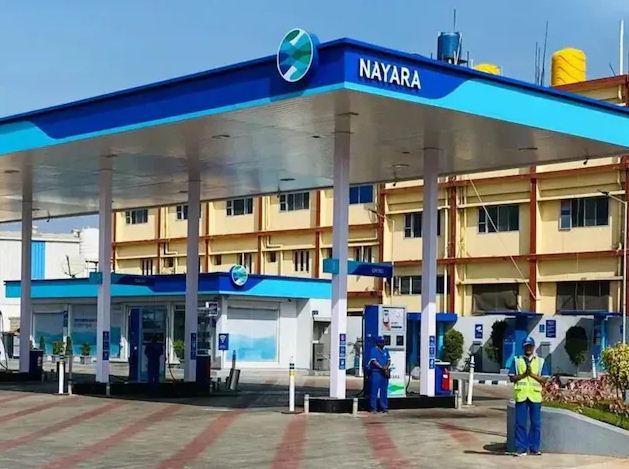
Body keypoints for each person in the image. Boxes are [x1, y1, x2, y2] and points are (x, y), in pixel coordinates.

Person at [509, 337, 546, 457]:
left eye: (530, 346)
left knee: (535, 424)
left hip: (535, 396)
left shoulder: (540, 361)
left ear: (533, 347)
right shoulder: (517, 360)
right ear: (523, 347)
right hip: (521, 395)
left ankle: (534, 448)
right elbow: (512, 378)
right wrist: (524, 375)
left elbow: (544, 379)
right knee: (520, 423)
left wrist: (532, 375)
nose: (528, 348)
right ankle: (521, 448)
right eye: (526, 346)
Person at [368, 335, 391, 413]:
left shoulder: (386, 350)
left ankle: (384, 407)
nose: (383, 343)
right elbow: (374, 361)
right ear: (377, 343)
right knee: (374, 390)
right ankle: (373, 408)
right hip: (376, 372)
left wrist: (386, 367)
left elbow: (389, 360)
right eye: (381, 342)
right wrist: (381, 367)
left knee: (384, 391)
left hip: (384, 373)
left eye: (384, 342)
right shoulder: (373, 350)